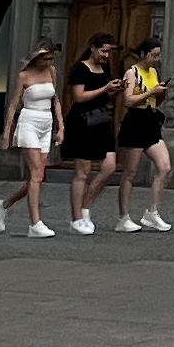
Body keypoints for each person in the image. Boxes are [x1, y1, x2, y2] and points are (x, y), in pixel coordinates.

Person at [60, 36, 128, 235]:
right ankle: (76, 218)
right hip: (82, 122)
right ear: (93, 48)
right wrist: (105, 88)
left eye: (109, 52)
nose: (106, 55)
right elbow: (79, 97)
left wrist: (114, 90)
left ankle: (85, 207)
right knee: (83, 171)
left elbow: (103, 96)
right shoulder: (80, 69)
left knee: (109, 167)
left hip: (101, 121)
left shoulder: (104, 69)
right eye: (103, 51)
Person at [0, 51, 62, 238]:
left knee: (37, 176)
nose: (49, 62)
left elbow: (55, 100)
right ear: (36, 58)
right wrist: (7, 133)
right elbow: (14, 104)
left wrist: (61, 126)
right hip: (29, 121)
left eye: (51, 59)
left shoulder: (52, 71)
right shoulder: (24, 75)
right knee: (37, 175)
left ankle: (4, 205)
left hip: (46, 123)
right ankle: (35, 223)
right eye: (45, 58)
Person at [117, 50, 174, 231]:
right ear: (143, 54)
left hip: (150, 121)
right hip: (135, 121)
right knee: (130, 172)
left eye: (158, 55)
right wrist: (151, 91)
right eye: (154, 55)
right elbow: (128, 100)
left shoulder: (154, 73)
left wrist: (160, 93)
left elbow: (155, 101)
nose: (157, 59)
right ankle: (123, 217)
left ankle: (152, 212)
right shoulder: (132, 72)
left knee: (164, 166)